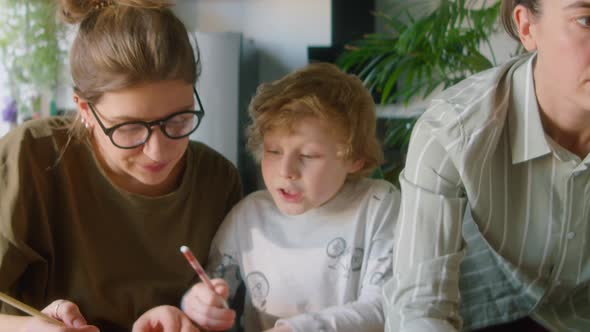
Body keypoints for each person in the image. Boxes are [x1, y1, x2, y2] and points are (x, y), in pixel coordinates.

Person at [0, 1, 242, 331]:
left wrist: (190, 317)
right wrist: (27, 329)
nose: (158, 152)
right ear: (84, 109)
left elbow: (231, 310)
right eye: (129, 127)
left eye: (179, 119)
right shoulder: (30, 158)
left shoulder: (218, 180)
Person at [384, 0, 590, 331]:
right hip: (475, 317)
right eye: (586, 20)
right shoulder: (452, 131)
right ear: (526, 27)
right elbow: (421, 306)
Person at [180, 63, 400, 332]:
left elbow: (386, 305)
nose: (286, 171)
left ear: (355, 159)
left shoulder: (377, 204)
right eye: (273, 151)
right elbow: (212, 288)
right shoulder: (248, 216)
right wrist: (199, 304)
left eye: (308, 155)